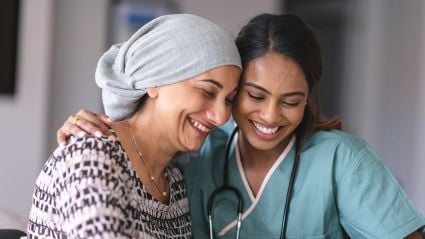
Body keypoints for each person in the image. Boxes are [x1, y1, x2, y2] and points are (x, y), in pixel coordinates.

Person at [56, 14, 425, 238]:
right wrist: (93, 133)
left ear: (309, 98)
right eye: (254, 95)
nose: (270, 116)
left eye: (291, 101)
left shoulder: (343, 162)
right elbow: (138, 148)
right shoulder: (195, 156)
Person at [27, 14, 242, 238]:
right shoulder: (92, 158)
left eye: (229, 99)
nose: (221, 116)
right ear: (155, 81)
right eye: (207, 91)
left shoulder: (174, 182)